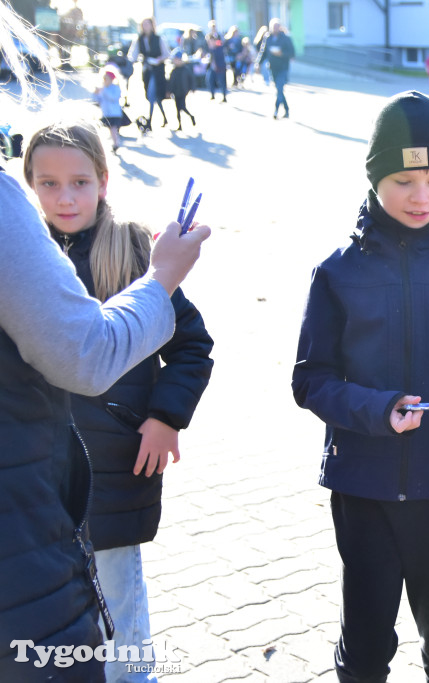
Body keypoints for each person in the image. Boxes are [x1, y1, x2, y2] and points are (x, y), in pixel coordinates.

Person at [0, 6, 210, 677]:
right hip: (44, 483)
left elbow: (191, 343)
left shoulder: (131, 246)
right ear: (27, 185)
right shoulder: (24, 252)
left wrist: (165, 415)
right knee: (70, 614)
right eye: (48, 184)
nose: (65, 198)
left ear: (106, 181)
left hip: (118, 471)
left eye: (81, 183)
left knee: (121, 606)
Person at [292, 91, 429, 683]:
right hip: (363, 488)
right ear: (374, 176)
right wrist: (376, 410)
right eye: (404, 180)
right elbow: (309, 380)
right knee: (363, 650)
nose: (422, 197)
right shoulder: (338, 272)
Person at [127, 17, 170, 128]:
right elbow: (133, 54)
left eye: (147, 24)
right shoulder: (139, 39)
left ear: (152, 25)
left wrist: (159, 59)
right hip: (147, 70)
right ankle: (165, 118)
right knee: (153, 96)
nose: (145, 26)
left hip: (158, 70)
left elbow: (166, 54)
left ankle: (150, 121)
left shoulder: (158, 38)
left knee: (152, 94)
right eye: (144, 24)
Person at [258, 18, 295, 119]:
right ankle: (287, 110)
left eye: (277, 26)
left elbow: (292, 53)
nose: (276, 28)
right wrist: (258, 63)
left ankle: (276, 110)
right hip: (273, 67)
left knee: (279, 88)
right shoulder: (268, 38)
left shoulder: (285, 38)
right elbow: (263, 52)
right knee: (279, 90)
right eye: (274, 27)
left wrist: (281, 54)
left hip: (283, 67)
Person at [93, 69, 125, 152]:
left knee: (113, 128)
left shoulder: (115, 88)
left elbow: (113, 98)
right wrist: (95, 93)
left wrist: (104, 90)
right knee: (110, 129)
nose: (104, 81)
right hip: (105, 113)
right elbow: (98, 100)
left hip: (114, 113)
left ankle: (116, 144)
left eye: (106, 79)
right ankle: (114, 143)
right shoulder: (103, 89)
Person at [168, 49, 197, 131]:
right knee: (177, 109)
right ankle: (180, 125)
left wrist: (193, 88)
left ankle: (191, 116)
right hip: (175, 92)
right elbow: (171, 82)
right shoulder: (174, 71)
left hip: (183, 91)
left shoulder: (186, 69)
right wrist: (169, 91)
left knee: (182, 107)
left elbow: (191, 79)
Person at [204, 20, 228, 103]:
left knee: (222, 81)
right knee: (210, 79)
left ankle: (224, 96)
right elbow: (208, 49)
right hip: (212, 64)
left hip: (220, 64)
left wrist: (214, 46)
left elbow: (220, 47)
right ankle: (212, 94)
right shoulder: (208, 36)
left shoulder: (218, 37)